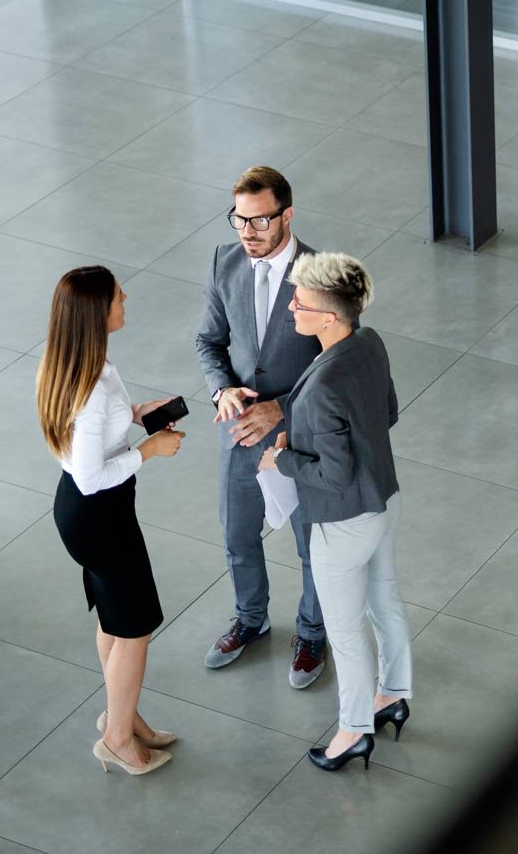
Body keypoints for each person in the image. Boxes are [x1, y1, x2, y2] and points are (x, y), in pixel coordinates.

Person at [259, 252, 412, 772]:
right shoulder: (368, 343)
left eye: (300, 300)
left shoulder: (321, 382)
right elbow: (386, 413)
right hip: (383, 500)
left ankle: (352, 731)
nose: (292, 306)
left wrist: (284, 457)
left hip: (343, 523)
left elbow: (332, 475)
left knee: (344, 633)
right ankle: (392, 695)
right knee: (385, 602)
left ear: (328, 317)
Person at [37, 265, 185, 778]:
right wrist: (148, 451)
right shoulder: (91, 389)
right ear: (98, 314)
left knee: (112, 616)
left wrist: (142, 413)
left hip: (96, 514)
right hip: (98, 514)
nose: (126, 298)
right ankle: (118, 739)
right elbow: (88, 476)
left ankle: (123, 716)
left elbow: (97, 437)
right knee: (136, 627)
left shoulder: (83, 365)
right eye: (118, 297)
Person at [195, 166, 328, 686]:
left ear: (287, 215)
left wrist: (285, 409)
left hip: (302, 437)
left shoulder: (321, 275)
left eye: (260, 221)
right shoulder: (225, 262)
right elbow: (208, 342)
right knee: (237, 534)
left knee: (311, 543)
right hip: (240, 433)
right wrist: (221, 389)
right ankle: (250, 621)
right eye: (239, 220)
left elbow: (340, 370)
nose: (247, 232)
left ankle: (312, 633)